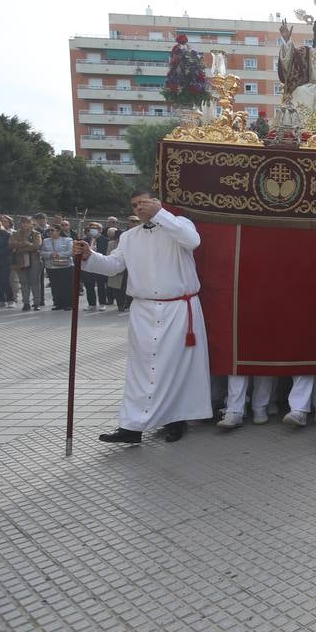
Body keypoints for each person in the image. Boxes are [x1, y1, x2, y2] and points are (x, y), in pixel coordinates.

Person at [75, 191, 212, 445]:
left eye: (144, 203)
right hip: (143, 310)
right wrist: (88, 257)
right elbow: (113, 265)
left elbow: (192, 241)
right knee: (139, 369)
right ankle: (132, 426)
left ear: (158, 203)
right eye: (135, 205)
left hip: (177, 310)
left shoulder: (180, 225)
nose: (139, 208)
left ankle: (175, 420)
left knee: (174, 366)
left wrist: (160, 214)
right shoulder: (129, 237)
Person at [10, 215, 44, 312]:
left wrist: (21, 245)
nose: (25, 224)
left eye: (27, 222)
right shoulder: (15, 234)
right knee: (24, 282)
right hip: (20, 259)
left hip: (34, 259)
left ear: (31, 223)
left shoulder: (36, 234)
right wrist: (26, 243)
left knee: (34, 282)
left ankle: (36, 303)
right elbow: (11, 244)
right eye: (23, 222)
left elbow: (36, 246)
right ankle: (26, 303)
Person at [41, 225, 74, 311]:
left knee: (66, 286)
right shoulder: (45, 241)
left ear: (59, 231)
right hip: (51, 266)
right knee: (55, 286)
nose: (50, 232)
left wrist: (59, 254)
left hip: (65, 266)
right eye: (49, 231)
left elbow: (71, 252)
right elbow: (42, 252)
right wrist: (50, 254)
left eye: (52, 230)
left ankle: (68, 304)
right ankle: (58, 303)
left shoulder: (68, 240)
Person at [81, 221, 111, 312]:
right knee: (89, 285)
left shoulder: (105, 240)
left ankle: (102, 303)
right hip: (88, 266)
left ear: (100, 230)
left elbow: (106, 253)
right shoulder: (85, 240)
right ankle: (91, 304)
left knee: (101, 285)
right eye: (91, 229)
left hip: (100, 265)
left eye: (95, 228)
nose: (92, 230)